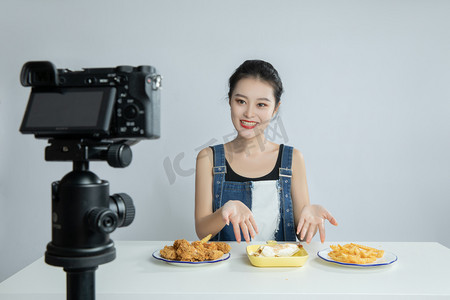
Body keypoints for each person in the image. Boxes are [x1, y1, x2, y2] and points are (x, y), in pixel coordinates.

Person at [194, 60, 337, 243]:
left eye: (261, 105)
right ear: (230, 101)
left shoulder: (293, 159)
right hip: (227, 270)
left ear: (275, 108)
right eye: (241, 101)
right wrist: (224, 211)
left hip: (279, 270)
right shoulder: (208, 158)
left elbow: (301, 235)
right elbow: (202, 231)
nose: (249, 113)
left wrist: (311, 219)